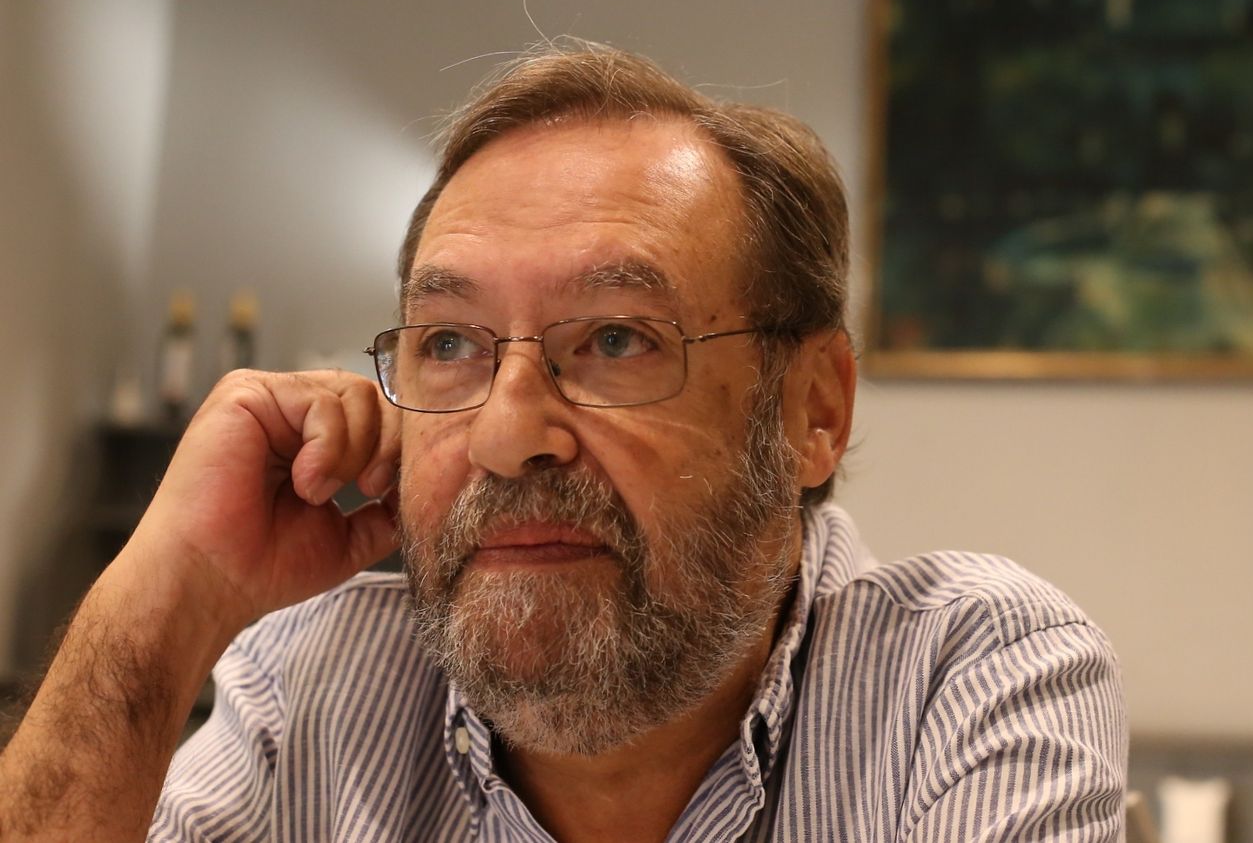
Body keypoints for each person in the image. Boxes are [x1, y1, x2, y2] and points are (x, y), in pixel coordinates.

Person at [0, 43, 1126, 841]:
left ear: (813, 407)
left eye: (618, 338)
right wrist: (164, 601)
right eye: (449, 342)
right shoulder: (314, 684)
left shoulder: (967, 672)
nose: (505, 433)